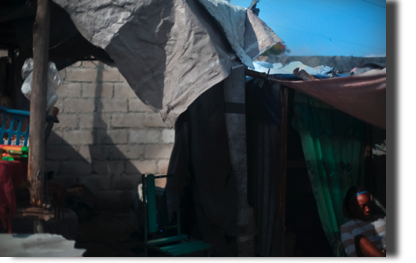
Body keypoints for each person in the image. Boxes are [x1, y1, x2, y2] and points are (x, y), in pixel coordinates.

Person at [340, 186, 386, 257]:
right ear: (352, 207)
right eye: (362, 207)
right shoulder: (347, 228)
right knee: (360, 239)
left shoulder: (382, 219)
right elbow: (353, 254)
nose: (367, 209)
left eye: (369, 205)